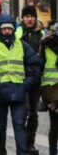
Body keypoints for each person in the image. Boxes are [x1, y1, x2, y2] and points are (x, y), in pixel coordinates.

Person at [0, 13, 41, 155]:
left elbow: (35, 65)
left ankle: (22, 152)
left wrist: (26, 84)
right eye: (3, 29)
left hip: (19, 92)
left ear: (14, 29)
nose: (7, 31)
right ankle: (1, 152)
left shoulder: (22, 46)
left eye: (9, 28)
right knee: (0, 127)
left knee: (19, 125)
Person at [16, 5, 47, 154]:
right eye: (26, 16)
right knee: (22, 112)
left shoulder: (42, 34)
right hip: (20, 78)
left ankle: (30, 144)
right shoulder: (17, 33)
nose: (29, 19)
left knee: (33, 114)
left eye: (31, 16)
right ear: (22, 18)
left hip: (36, 79)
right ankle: (22, 145)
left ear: (35, 17)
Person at [40, 23, 58, 155]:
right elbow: (41, 67)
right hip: (52, 90)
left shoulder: (45, 44)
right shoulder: (46, 45)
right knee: (55, 125)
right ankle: (53, 151)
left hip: (50, 89)